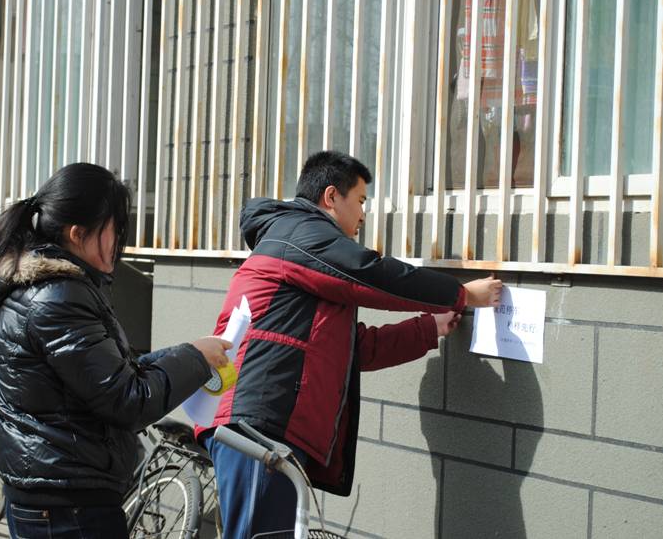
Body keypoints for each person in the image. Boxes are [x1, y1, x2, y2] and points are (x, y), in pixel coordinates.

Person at [197, 151, 502, 538]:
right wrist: (461, 294)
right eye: (359, 200)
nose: (362, 216)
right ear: (331, 197)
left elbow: (354, 349)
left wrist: (428, 328)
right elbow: (369, 272)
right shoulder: (300, 234)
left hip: (264, 423)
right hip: (259, 422)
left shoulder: (300, 248)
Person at [0, 163, 231, 539]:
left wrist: (189, 352)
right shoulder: (58, 297)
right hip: (69, 507)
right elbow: (127, 398)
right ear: (78, 234)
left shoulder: (46, 288)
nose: (120, 241)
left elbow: (110, 376)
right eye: (115, 228)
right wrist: (195, 360)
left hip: (53, 496)